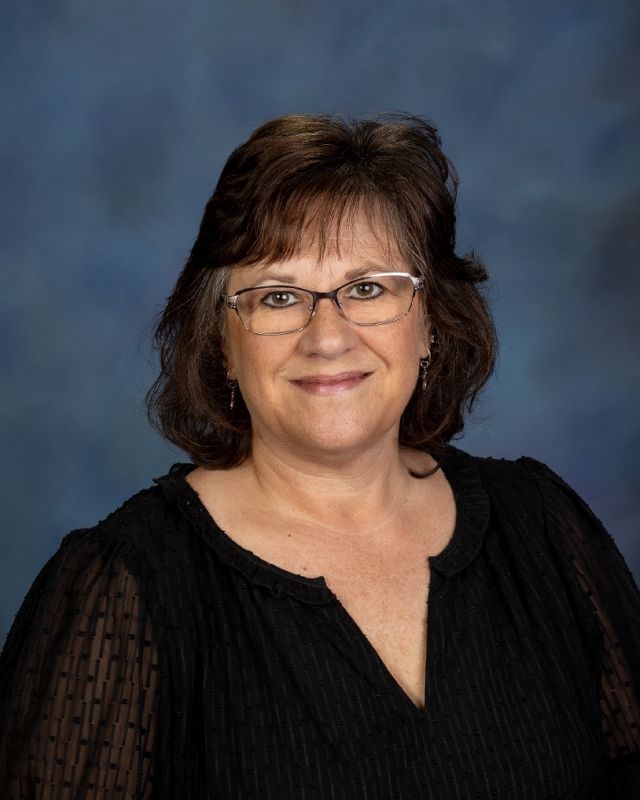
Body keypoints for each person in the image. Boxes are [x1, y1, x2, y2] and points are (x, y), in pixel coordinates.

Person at [0, 113, 638, 799]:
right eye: (279, 296)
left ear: (430, 323)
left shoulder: (542, 528)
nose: (327, 337)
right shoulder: (123, 587)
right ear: (221, 342)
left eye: (367, 288)